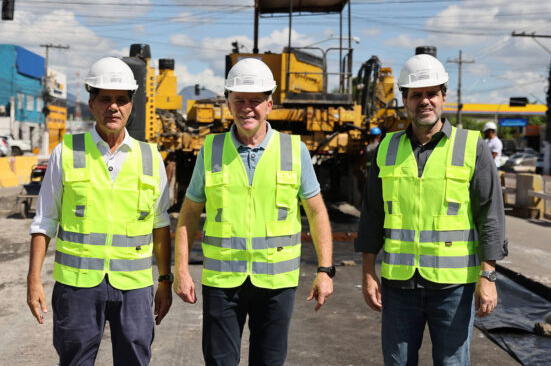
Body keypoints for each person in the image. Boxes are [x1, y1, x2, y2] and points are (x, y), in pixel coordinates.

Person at [174, 57, 334, 366]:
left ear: (269, 104)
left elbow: (316, 212)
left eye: (255, 101)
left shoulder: (294, 150)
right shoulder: (211, 150)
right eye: (240, 100)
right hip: (223, 282)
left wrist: (325, 270)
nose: (247, 108)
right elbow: (189, 213)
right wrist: (181, 269)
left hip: (276, 284)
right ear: (228, 104)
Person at [355, 54, 507, 365]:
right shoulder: (386, 149)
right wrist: (368, 272)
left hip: (453, 288)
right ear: (405, 100)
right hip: (399, 286)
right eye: (416, 95)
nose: (425, 101)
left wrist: (488, 276)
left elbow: (490, 215)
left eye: (432, 93)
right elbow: (372, 216)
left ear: (443, 97)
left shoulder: (472, 146)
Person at [26, 57, 173, 366]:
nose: (113, 107)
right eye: (105, 99)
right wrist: (34, 280)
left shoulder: (150, 158)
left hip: (134, 287)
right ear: (91, 103)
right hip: (77, 287)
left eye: (121, 99)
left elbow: (160, 225)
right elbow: (44, 221)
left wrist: (165, 280)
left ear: (131, 105)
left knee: (134, 360)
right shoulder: (65, 152)